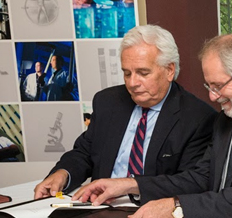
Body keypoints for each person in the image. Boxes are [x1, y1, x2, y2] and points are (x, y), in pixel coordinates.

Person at [74, 34, 232, 218]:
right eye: (208, 86)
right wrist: (130, 185)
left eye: (218, 86)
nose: (212, 97)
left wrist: (177, 207)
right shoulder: (227, 119)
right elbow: (201, 177)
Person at [34, 25, 216, 198]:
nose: (132, 83)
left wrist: (131, 184)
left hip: (152, 209)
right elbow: (85, 152)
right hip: (99, 206)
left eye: (143, 73)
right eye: (127, 73)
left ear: (169, 70)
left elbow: (190, 182)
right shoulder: (108, 102)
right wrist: (63, 173)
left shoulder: (197, 117)